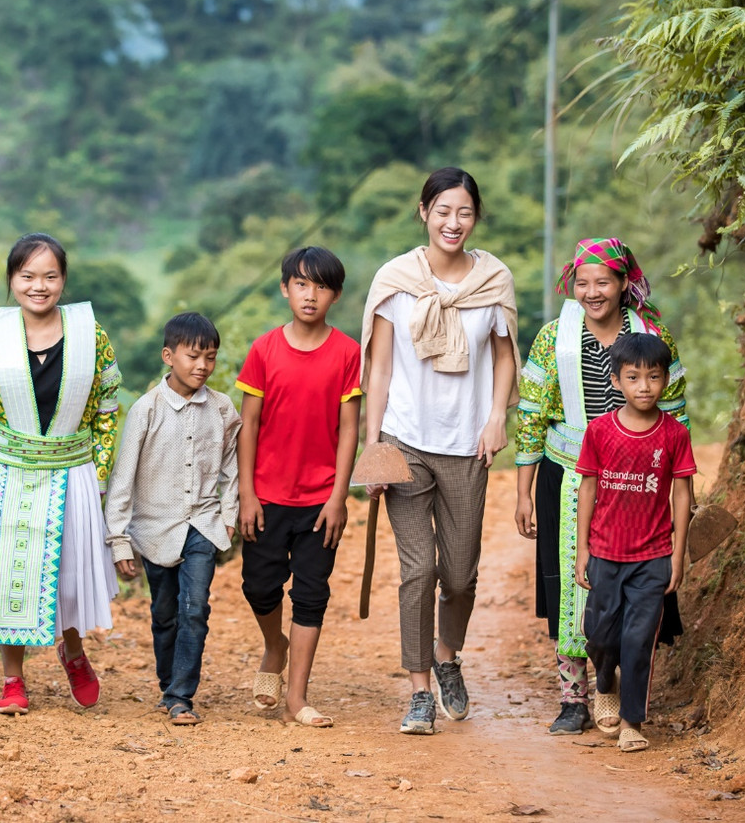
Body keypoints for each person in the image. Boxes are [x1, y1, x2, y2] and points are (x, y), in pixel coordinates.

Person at [360, 166, 521, 735]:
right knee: (419, 570)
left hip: (466, 445)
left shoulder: (493, 281)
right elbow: (380, 369)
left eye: (465, 212)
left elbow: (504, 356)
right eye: (443, 211)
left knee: (458, 575)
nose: (454, 222)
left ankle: (446, 655)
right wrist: (374, 447)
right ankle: (420, 690)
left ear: (476, 218)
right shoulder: (396, 280)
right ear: (424, 212)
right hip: (404, 441)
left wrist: (497, 417)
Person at [514, 238, 687, 735]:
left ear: (623, 283)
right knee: (571, 585)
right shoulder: (554, 338)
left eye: (603, 282)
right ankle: (573, 698)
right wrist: (524, 491)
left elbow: (676, 415)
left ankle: (613, 684)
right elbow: (532, 414)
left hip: (638, 481)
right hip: (567, 473)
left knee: (629, 588)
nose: (592, 292)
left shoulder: (652, 337)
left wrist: (681, 493)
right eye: (583, 283)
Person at [0, 233, 122, 715]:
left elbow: (107, 414)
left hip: (72, 471)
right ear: (11, 280)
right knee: (9, 574)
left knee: (68, 574)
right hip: (6, 472)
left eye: (49, 276)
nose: (38, 286)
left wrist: (99, 478)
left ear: (63, 280)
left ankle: (73, 652)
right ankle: (13, 681)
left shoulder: (90, 335)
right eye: (27, 276)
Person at [235, 246, 362, 728]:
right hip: (267, 496)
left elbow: (348, 429)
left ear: (336, 295)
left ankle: (297, 697)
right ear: (285, 289)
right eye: (302, 284)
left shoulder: (347, 352)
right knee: (259, 587)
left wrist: (338, 497)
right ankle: (275, 644)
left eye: (322, 286)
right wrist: (247, 494)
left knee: (311, 594)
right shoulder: (264, 349)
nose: (311, 295)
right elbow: (249, 425)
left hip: (319, 500)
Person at [104, 313, 241, 726]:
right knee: (164, 613)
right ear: (169, 356)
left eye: (210, 357)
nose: (202, 366)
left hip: (202, 524)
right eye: (193, 356)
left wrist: (228, 514)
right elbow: (123, 477)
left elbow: (233, 466)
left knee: (195, 609)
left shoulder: (222, 408)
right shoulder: (146, 410)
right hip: (154, 529)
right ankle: (168, 686)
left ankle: (182, 696)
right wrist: (119, 540)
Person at [574, 332, 695, 752]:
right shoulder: (599, 431)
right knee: (600, 636)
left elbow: (682, 494)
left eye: (653, 377)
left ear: (665, 380)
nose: (644, 387)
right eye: (633, 377)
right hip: (605, 552)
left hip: (653, 556)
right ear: (616, 381)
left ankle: (631, 721)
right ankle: (605, 682)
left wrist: (678, 555)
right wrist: (583, 549)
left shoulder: (674, 434)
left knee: (639, 640)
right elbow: (588, 488)